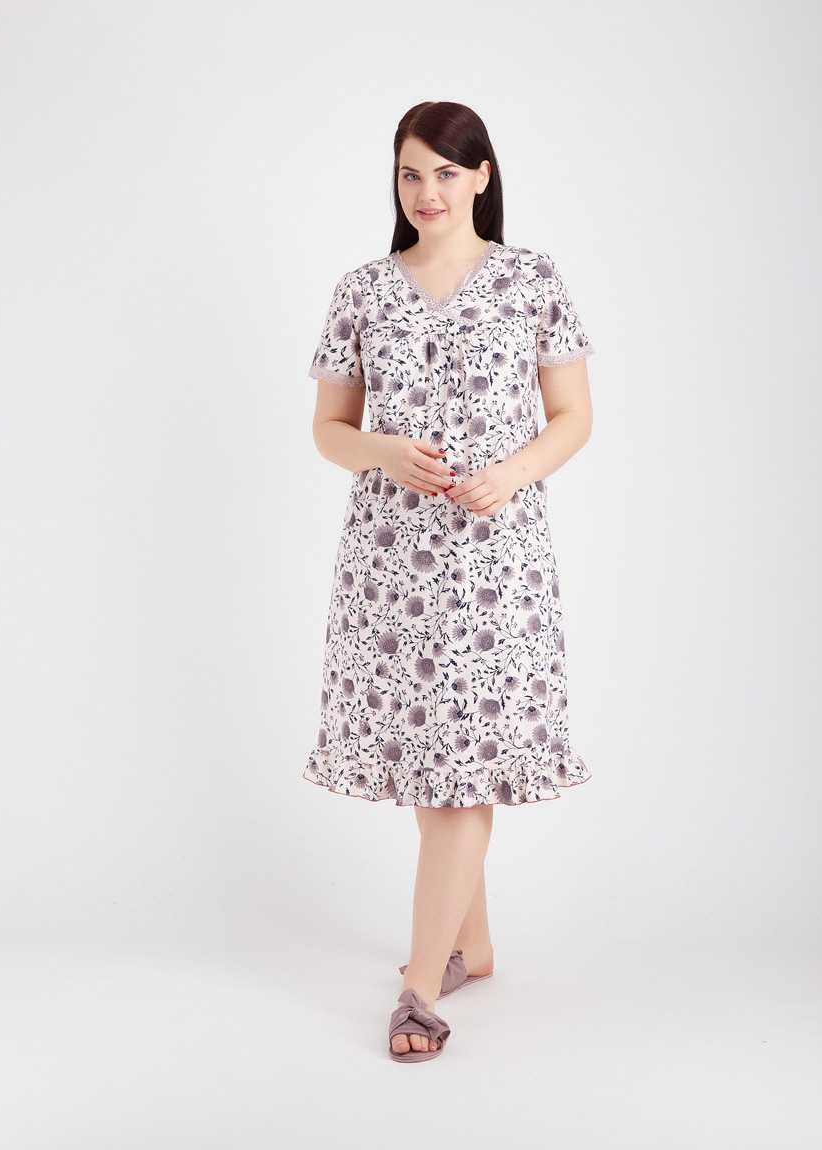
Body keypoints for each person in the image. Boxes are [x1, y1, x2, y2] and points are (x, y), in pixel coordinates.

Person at [302, 101, 594, 1062]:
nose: (426, 192)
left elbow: (573, 414)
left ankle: (421, 988)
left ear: (482, 176)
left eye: (445, 172)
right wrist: (383, 450)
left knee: (460, 771)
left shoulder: (531, 280)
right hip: (391, 563)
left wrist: (512, 472)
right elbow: (329, 431)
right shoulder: (362, 290)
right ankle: (474, 944)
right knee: (440, 761)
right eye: (409, 174)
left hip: (496, 561)